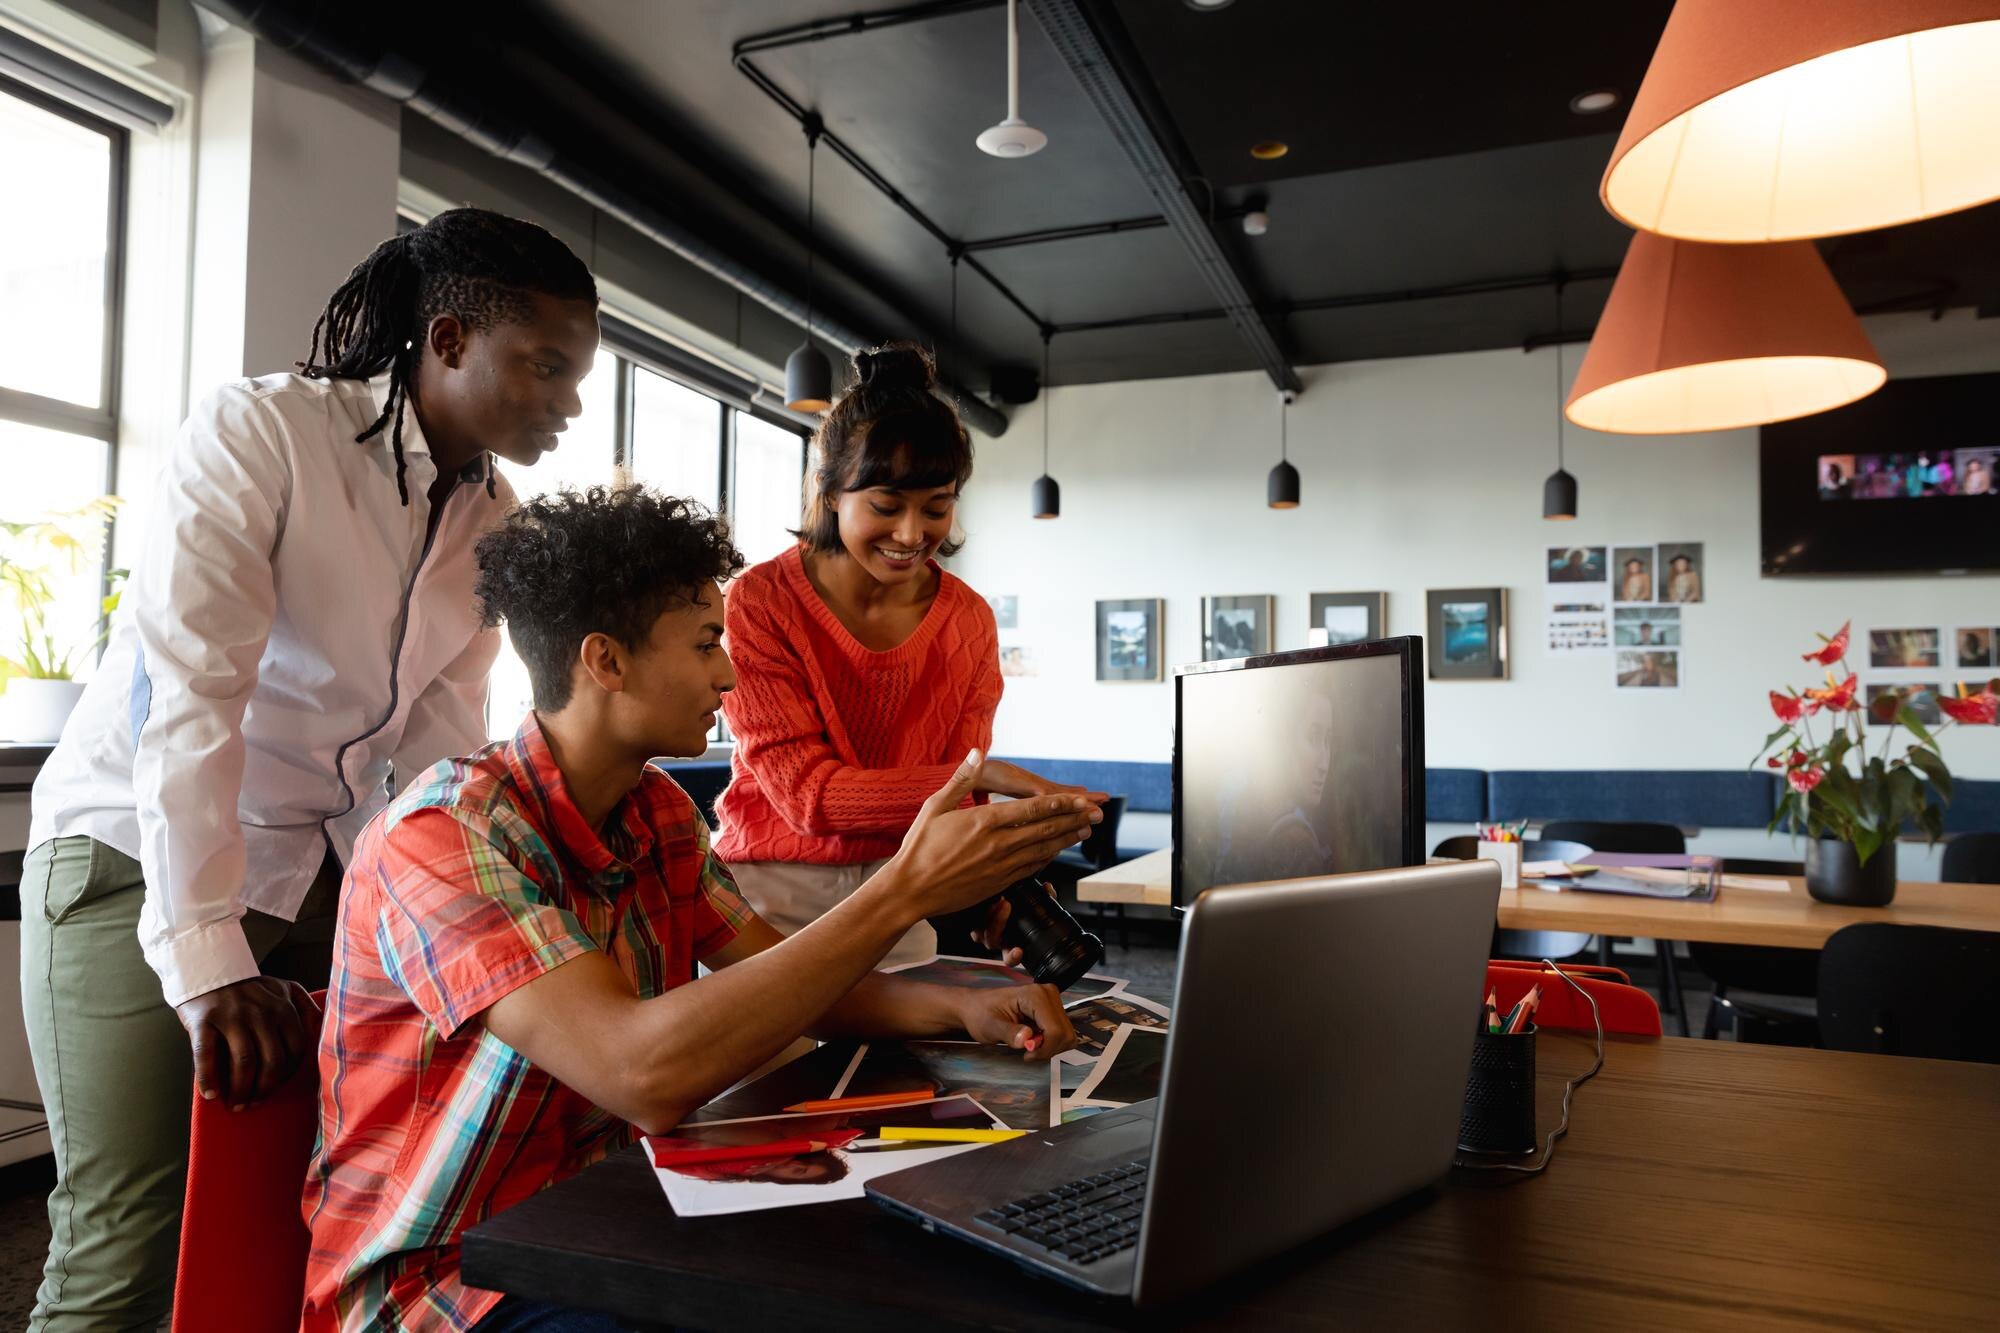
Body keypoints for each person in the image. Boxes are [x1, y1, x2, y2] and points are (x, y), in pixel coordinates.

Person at [301, 486, 1093, 1331]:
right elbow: (641, 1075)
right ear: (605, 661)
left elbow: (787, 977)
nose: (728, 670)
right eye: (707, 642)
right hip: (451, 1278)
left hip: (607, 1218)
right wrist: (903, 887)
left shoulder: (660, 812)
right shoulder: (444, 833)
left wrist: (960, 1007)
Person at [20, 207, 600, 1331]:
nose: (567, 401)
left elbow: (443, 754)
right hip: (137, 855)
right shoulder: (261, 433)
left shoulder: (498, 523)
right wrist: (206, 965)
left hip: (310, 869)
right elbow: (192, 697)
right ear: (446, 341)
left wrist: (502, 924)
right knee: (131, 1236)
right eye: (545, 366)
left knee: (324, 1212)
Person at [715, 343, 1097, 966]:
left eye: (937, 507)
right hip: (769, 891)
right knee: (776, 1065)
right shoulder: (760, 601)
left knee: (905, 1063)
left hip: (905, 887)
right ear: (831, 492)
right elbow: (806, 799)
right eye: (886, 507)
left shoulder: (968, 620)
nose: (913, 534)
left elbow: (950, 803)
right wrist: (982, 779)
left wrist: (988, 889)